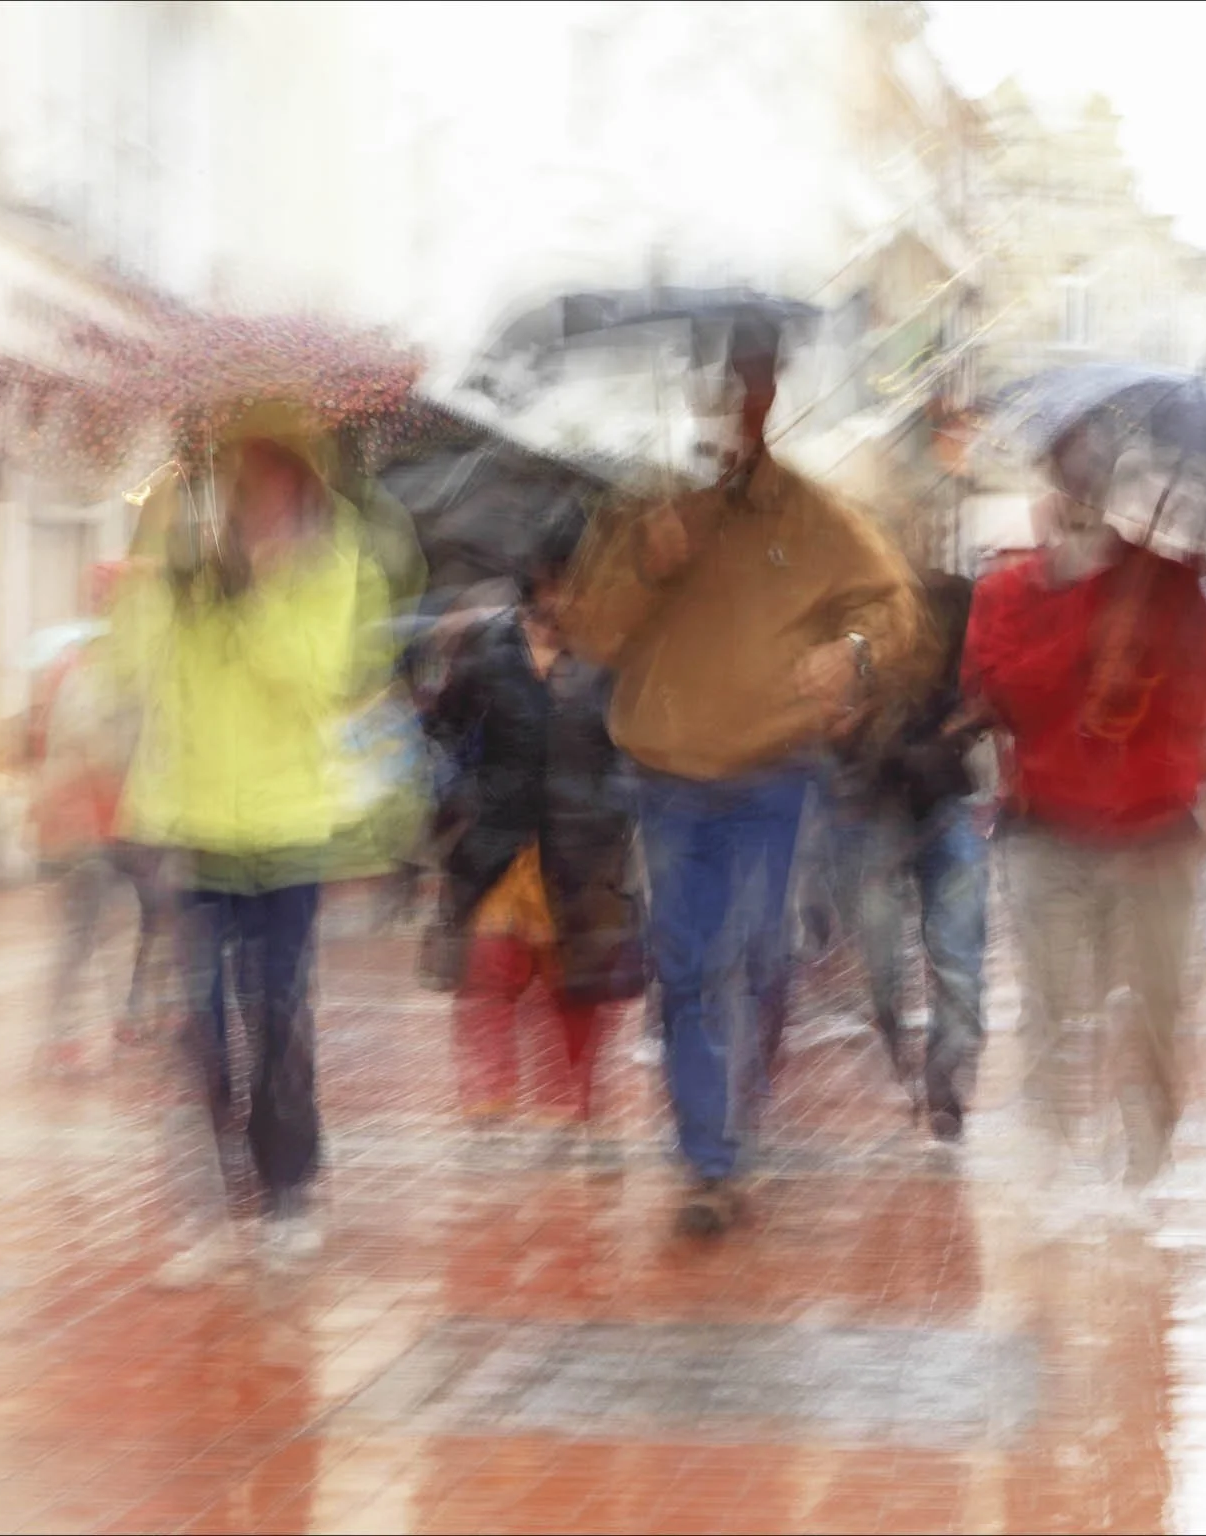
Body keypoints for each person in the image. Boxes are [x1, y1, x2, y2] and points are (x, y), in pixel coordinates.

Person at [561, 314, 923, 1236]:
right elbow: (592, 633)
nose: (737, 400)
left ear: (771, 396)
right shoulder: (641, 510)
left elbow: (892, 612)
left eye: (754, 381)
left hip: (774, 774)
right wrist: (647, 562)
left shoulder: (814, 519)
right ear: (699, 391)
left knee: (761, 957)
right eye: (722, 380)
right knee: (687, 965)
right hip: (669, 776)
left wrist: (851, 654)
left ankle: (739, 1117)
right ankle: (708, 1162)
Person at [112, 404, 393, 1285]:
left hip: (285, 827)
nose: (254, 492)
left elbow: (314, 681)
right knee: (197, 1028)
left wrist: (256, 590)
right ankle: (210, 1200)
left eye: (270, 475)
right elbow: (131, 665)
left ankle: (287, 1193)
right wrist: (161, 573)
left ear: (298, 478)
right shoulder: (189, 546)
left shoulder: (332, 555)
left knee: (276, 1016)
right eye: (241, 474)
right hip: (192, 824)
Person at [964, 422, 1206, 1222]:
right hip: (1047, 830)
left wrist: (1146, 636)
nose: (1080, 489)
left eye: (1095, 471)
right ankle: (1045, 1169)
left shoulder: (1169, 585)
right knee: (1049, 1007)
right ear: (1054, 483)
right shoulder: (1006, 591)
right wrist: (1085, 625)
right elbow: (995, 693)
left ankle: (1146, 1172)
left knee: (1154, 1005)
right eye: (1068, 472)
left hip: (1154, 835)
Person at [426, 510, 647, 1148]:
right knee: (490, 970)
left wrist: (614, 806)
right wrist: (458, 796)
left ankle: (568, 1108)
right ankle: (488, 1107)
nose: (570, 598)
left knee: (575, 985)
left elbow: (637, 748)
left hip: (583, 847)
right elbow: (441, 729)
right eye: (561, 582)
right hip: (497, 840)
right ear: (539, 582)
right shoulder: (489, 650)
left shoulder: (611, 660)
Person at [828, 569, 991, 1141]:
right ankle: (897, 1045)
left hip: (945, 802)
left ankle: (945, 1083)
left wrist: (962, 729)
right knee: (880, 959)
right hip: (879, 809)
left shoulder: (957, 606)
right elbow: (832, 718)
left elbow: (993, 694)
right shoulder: (863, 634)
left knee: (959, 960)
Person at [35, 562, 173, 1074]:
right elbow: (81, 745)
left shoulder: (131, 664)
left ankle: (128, 1013)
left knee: (151, 919)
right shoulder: (87, 667)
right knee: (88, 928)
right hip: (96, 821)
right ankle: (72, 1031)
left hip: (130, 820)